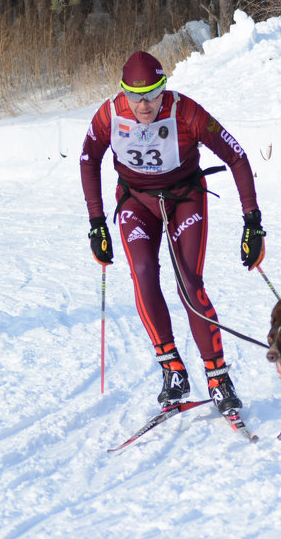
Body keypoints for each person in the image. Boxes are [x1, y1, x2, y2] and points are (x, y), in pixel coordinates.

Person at [80, 50, 266, 415]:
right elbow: (88, 158)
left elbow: (237, 156)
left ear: (165, 88)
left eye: (152, 94)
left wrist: (252, 221)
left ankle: (217, 376)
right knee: (145, 275)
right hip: (137, 202)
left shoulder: (186, 112)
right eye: (135, 97)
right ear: (123, 93)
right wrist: (97, 223)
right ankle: (172, 369)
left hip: (184, 198)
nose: (144, 105)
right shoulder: (110, 114)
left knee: (189, 282)